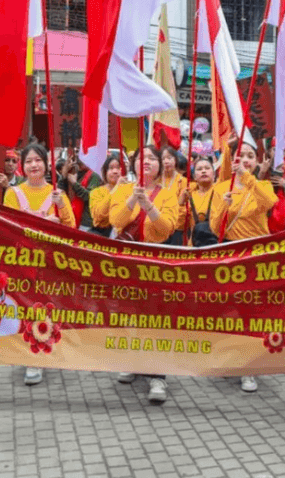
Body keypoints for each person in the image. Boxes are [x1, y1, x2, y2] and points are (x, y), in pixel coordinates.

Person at [109, 145, 178, 402]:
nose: (146, 162)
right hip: (126, 263)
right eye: (141, 158)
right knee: (129, 313)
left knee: (155, 318)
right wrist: (132, 199)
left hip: (154, 264)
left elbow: (167, 229)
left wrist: (148, 205)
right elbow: (115, 220)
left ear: (160, 165)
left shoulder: (168, 195)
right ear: (134, 164)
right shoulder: (123, 189)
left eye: (152, 158)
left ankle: (158, 376)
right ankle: (134, 361)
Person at [4, 144, 76, 386]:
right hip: (23, 261)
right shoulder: (12, 193)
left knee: (46, 306)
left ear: (46, 164)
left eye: (38, 160)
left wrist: (61, 206)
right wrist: (46, 222)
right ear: (22, 166)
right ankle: (31, 357)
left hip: (49, 262)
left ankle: (42, 351)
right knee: (25, 306)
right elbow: (11, 227)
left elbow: (71, 228)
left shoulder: (58, 194)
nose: (34, 165)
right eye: (28, 161)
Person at [210, 141, 277, 394]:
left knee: (252, 311)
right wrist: (225, 206)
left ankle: (249, 368)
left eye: (251, 156)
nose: (246, 159)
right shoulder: (220, 188)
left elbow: (269, 202)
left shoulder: (262, 186)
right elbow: (217, 228)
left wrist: (246, 177)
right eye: (241, 156)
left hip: (256, 256)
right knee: (229, 310)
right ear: (232, 159)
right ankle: (230, 358)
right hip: (230, 256)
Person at [179, 156, 218, 247]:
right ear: (194, 176)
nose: (203, 171)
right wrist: (181, 203)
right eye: (199, 169)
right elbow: (180, 225)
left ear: (214, 174)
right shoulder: (189, 195)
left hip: (217, 245)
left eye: (207, 168)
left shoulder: (220, 190)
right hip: (194, 245)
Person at [60, 154, 104, 233]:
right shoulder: (78, 173)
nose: (78, 163)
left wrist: (74, 183)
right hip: (73, 216)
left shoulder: (94, 176)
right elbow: (61, 191)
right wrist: (64, 173)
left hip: (85, 222)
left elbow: (89, 196)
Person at [88, 154, 125, 238]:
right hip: (102, 234)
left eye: (118, 168)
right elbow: (99, 216)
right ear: (105, 172)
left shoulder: (129, 190)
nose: (115, 171)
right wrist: (116, 188)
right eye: (111, 168)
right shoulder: (96, 192)